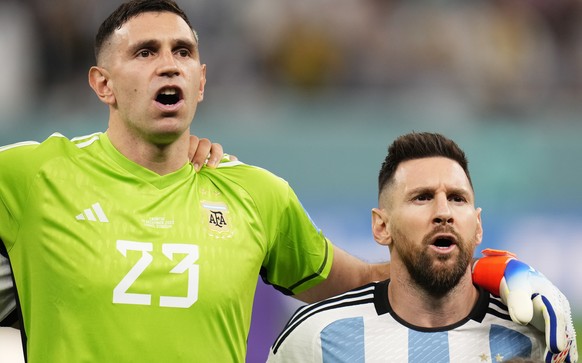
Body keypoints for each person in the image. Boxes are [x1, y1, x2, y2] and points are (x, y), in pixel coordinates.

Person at [0, 1, 573, 361]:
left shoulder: (255, 194)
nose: (168, 63)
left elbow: (384, 278)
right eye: (145, 52)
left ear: (201, 82)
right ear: (102, 84)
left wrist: (499, 269)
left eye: (183, 52)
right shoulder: (30, 176)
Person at [267, 132, 578, 363]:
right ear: (382, 226)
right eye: (422, 197)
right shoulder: (315, 338)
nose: (444, 212)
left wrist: (568, 352)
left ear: (478, 225)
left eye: (457, 198)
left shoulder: (532, 335)